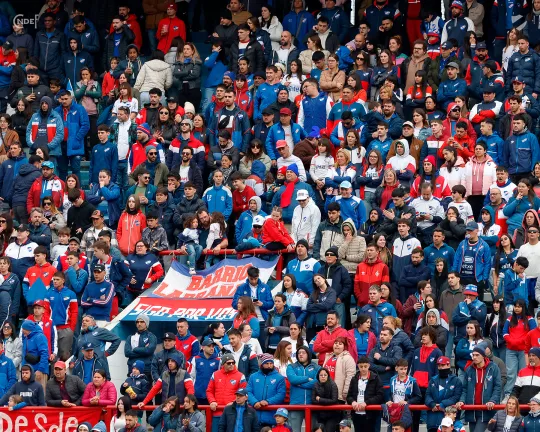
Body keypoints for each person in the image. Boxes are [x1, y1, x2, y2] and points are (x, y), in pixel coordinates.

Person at [456, 345, 502, 432]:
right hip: (471, 410)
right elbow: (464, 389)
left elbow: (497, 387)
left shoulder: (493, 368)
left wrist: (492, 400)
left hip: (486, 410)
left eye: (477, 355)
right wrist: (462, 400)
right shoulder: (469, 369)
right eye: (473, 355)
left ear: (483, 356)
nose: (474, 357)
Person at [424, 356, 463, 432]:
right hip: (433, 419)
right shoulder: (433, 380)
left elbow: (456, 397)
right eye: (439, 365)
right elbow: (427, 395)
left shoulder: (456, 380)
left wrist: (442, 404)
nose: (441, 368)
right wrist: (432, 404)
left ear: (448, 365)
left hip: (447, 420)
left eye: (443, 365)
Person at [346, 355, 384, 431]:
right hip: (356, 414)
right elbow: (349, 396)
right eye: (361, 366)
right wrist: (353, 402)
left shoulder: (376, 378)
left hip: (371, 414)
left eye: (365, 366)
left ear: (369, 366)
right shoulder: (354, 379)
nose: (363, 369)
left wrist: (366, 403)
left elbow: (380, 396)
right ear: (358, 366)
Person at [368, 327, 402, 391]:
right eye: (381, 334)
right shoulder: (374, 350)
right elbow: (369, 365)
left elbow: (396, 362)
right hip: (375, 382)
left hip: (390, 382)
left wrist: (380, 358)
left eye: (385, 335)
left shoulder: (396, 349)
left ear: (391, 337)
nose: (382, 336)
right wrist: (383, 368)